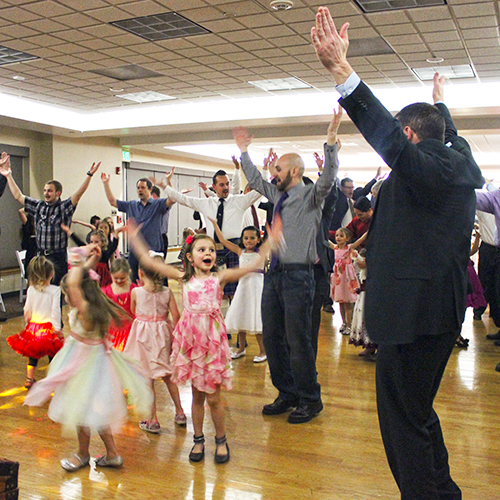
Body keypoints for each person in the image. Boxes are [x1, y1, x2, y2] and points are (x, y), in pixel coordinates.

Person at [311, 8, 483, 498]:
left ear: (409, 136)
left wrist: (344, 74)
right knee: (417, 412)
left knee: (402, 424)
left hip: (413, 317)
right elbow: (448, 136)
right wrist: (441, 105)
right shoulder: (459, 159)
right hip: (434, 312)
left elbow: (392, 142)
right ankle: (442, 490)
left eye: (403, 136)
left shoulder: (429, 165)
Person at [126, 223, 275, 464]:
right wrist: (134, 238)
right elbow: (151, 262)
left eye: (211, 250)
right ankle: (198, 439)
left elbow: (254, 264)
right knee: (196, 397)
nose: (208, 253)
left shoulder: (220, 277)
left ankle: (221, 438)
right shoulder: (183, 277)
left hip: (213, 344)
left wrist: (271, 239)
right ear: (190, 258)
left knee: (214, 398)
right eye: (201, 250)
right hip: (191, 345)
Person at [232, 108, 340, 424]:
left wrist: (331, 140)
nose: (273, 173)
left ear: (293, 171)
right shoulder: (275, 195)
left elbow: (330, 177)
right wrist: (244, 151)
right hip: (273, 276)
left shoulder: (311, 195)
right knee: (274, 337)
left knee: (299, 341)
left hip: (298, 278)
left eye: (278, 169)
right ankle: (286, 393)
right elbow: (254, 179)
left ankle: (310, 399)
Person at [24, 247, 153, 471]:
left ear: (78, 292)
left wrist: (82, 265)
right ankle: (111, 453)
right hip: (96, 363)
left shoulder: (85, 309)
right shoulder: (96, 305)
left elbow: (74, 284)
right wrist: (91, 260)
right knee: (94, 412)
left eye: (68, 293)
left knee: (81, 410)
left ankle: (83, 453)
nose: (66, 297)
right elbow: (78, 284)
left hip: (84, 365)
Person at [161, 168, 263, 298]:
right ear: (214, 187)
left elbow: (259, 192)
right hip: (213, 251)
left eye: (227, 184)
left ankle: (234, 317)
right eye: (222, 185)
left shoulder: (239, 201)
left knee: (235, 293)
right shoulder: (206, 203)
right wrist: (165, 186)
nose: (226, 187)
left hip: (234, 251)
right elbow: (183, 199)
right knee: (213, 291)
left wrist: (265, 171)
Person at [0, 154, 100, 286]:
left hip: (57, 257)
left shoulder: (64, 208)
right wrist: (8, 175)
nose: (46, 193)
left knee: (55, 291)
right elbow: (18, 196)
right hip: (40, 255)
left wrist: (89, 175)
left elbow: (79, 194)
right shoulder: (39, 206)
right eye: (45, 191)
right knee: (39, 289)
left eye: (50, 191)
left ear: (58, 193)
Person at [123, 256, 187, 433]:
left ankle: (152, 419)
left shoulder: (136, 292)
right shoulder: (167, 292)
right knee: (167, 374)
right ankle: (180, 412)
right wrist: (173, 335)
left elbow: (133, 311)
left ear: (140, 273)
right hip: (162, 334)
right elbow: (176, 315)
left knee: (147, 377)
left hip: (143, 335)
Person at [210, 220, 267, 363]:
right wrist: (214, 225)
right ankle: (241, 348)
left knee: (256, 318)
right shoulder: (239, 251)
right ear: (242, 239)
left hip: (257, 286)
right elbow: (222, 240)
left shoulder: (262, 252)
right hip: (243, 287)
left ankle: (263, 351)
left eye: (252, 238)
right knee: (242, 315)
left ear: (259, 239)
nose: (249, 241)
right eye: (246, 238)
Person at [101, 175, 173, 282]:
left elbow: (172, 199)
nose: (140, 190)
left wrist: (168, 182)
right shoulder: (131, 205)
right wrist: (106, 184)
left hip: (153, 250)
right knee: (134, 280)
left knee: (158, 280)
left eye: (143, 187)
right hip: (135, 251)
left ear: (150, 189)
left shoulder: (158, 204)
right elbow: (112, 201)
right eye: (138, 188)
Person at [7, 256, 63, 388]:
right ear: (52, 274)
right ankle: (53, 378)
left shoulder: (31, 289)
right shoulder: (55, 290)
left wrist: (28, 323)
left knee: (33, 355)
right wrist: (57, 328)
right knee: (53, 354)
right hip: (48, 329)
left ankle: (29, 379)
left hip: (34, 327)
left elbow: (27, 309)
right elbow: (55, 311)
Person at [329, 227, 359, 336]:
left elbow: (358, 241)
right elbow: (326, 241)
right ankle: (344, 323)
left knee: (348, 303)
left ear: (347, 238)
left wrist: (368, 232)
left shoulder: (349, 248)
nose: (338, 238)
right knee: (341, 303)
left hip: (347, 278)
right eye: (337, 235)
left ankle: (350, 325)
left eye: (341, 236)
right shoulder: (335, 248)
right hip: (338, 279)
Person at [101, 258, 136, 351]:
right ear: (111, 274)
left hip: (132, 331)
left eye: (122, 278)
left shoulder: (134, 289)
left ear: (128, 274)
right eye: (116, 278)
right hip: (113, 331)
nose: (119, 281)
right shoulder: (106, 291)